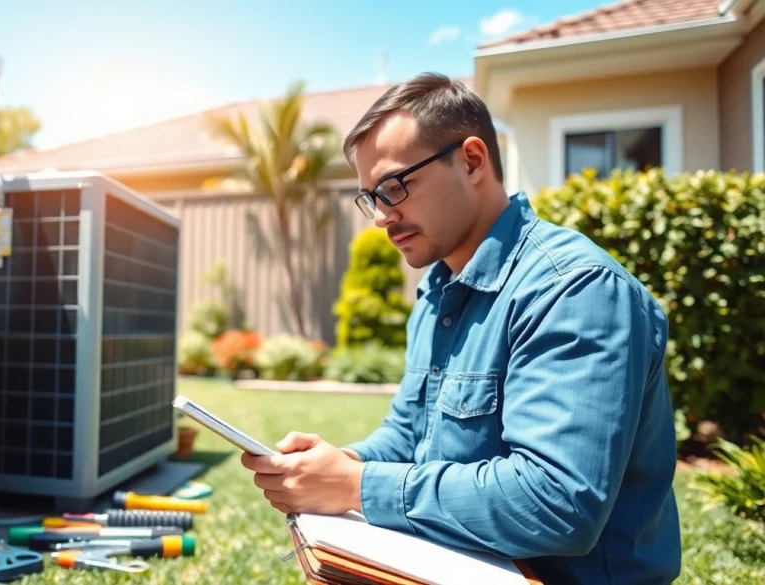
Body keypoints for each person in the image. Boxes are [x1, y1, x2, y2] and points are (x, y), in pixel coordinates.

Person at [239, 72, 681, 584]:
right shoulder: (437, 291)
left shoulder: (575, 291)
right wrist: (338, 462)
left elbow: (558, 504)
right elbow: (410, 433)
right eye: (370, 198)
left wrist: (357, 486)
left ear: (472, 161)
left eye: (394, 187)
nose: (382, 217)